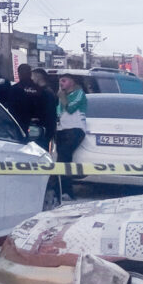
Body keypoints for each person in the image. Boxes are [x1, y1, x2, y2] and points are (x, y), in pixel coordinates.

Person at [52, 73, 88, 201]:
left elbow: (71, 108)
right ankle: (61, 190)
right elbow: (59, 113)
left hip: (75, 130)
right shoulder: (62, 95)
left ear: (72, 82)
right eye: (60, 81)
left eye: (64, 81)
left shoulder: (79, 93)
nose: (61, 83)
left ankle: (65, 190)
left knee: (64, 157)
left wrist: (62, 97)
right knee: (62, 158)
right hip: (61, 130)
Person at [6, 65, 53, 149]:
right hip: (37, 127)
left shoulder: (14, 89)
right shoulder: (41, 90)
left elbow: (10, 108)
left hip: (19, 127)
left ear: (18, 74)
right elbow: (47, 110)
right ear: (30, 74)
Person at [31, 68, 60, 150]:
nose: (31, 80)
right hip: (46, 130)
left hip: (43, 131)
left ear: (38, 77)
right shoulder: (48, 91)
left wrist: (34, 118)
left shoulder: (45, 93)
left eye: (32, 77)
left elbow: (46, 112)